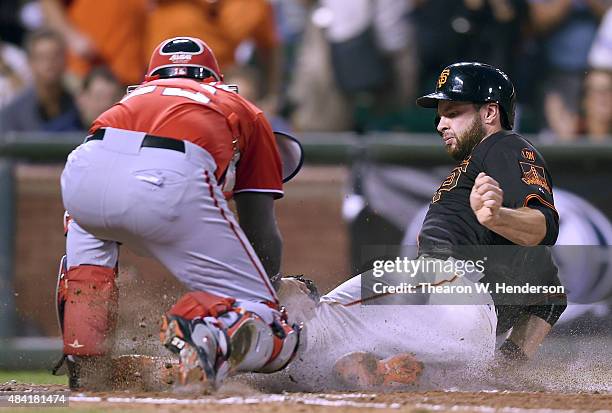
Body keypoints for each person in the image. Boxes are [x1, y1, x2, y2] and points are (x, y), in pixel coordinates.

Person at [55, 36, 300, 391]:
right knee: (275, 329)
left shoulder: (129, 100)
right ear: (214, 78)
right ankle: (210, 334)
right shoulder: (239, 105)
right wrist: (269, 294)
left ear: (152, 77)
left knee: (86, 266)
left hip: (83, 171)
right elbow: (260, 229)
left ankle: (86, 357)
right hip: (171, 177)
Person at [415, 62, 566, 360]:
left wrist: (498, 217)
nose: (441, 124)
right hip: (466, 321)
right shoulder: (484, 161)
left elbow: (544, 225)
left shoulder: (503, 146)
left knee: (319, 313)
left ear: (489, 113)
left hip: (440, 295)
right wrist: (507, 365)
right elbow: (550, 297)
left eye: (453, 112)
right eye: (440, 116)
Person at [0, 29, 80, 133]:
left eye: (55, 56)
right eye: (42, 57)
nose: (50, 63)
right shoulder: (12, 115)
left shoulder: (80, 106)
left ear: (66, 59)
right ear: (30, 62)